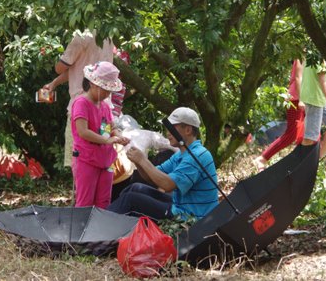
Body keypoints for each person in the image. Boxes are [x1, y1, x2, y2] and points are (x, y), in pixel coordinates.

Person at [108, 107, 219, 220]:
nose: (168, 133)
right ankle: (109, 225)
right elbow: (152, 178)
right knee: (136, 188)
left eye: (172, 128)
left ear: (188, 130)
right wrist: (138, 162)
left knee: (131, 200)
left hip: (190, 217)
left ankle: (97, 226)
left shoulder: (198, 155)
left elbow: (167, 185)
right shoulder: (180, 154)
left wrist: (143, 160)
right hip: (178, 206)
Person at [42, 29, 114, 168]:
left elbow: (60, 68)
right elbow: (79, 69)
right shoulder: (108, 34)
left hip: (81, 106)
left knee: (79, 160)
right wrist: (54, 83)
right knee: (104, 155)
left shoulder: (81, 37)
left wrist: (53, 53)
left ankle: (83, 189)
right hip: (105, 106)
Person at [71, 61, 129, 208]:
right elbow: (83, 131)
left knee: (104, 201)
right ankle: (82, 229)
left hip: (105, 161)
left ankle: (100, 229)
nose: (108, 94)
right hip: (87, 159)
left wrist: (118, 135)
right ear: (93, 84)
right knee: (85, 201)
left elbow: (110, 127)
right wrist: (107, 140)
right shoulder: (81, 103)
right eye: (105, 89)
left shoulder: (105, 106)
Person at [253, 59, 305, 171]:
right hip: (296, 98)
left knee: (307, 132)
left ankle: (304, 161)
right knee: (292, 133)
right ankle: (262, 158)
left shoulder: (315, 52)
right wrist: (301, 99)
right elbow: (297, 77)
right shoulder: (302, 53)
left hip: (308, 98)